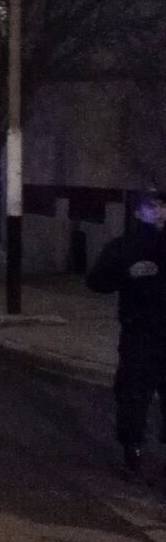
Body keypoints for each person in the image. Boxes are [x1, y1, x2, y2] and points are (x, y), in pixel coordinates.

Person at [87, 188, 166, 476]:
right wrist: (126, 274)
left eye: (162, 205)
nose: (157, 211)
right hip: (140, 332)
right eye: (150, 206)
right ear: (137, 212)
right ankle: (132, 451)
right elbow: (96, 281)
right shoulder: (126, 246)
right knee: (134, 392)